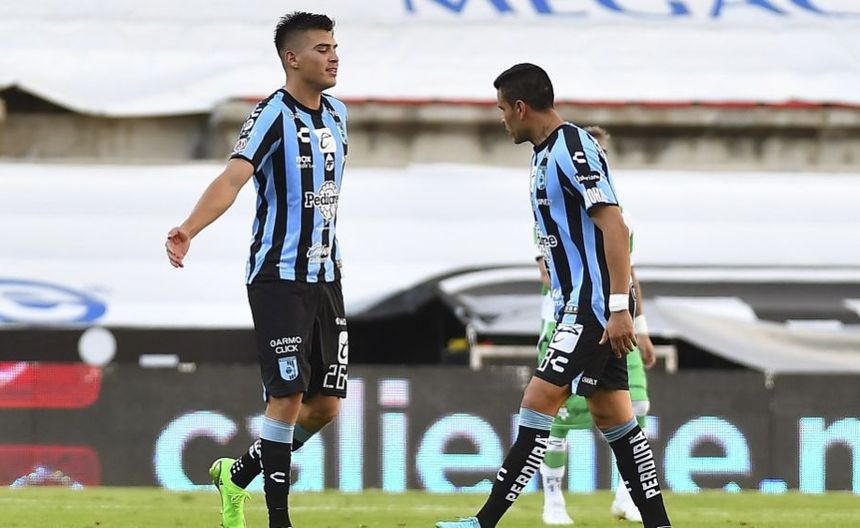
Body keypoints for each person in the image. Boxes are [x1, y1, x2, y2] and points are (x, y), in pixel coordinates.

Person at [436, 64, 671, 528]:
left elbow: (615, 226)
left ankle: (483, 523)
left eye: (503, 109)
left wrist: (618, 308)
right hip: (576, 307)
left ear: (521, 108)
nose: (503, 119)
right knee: (617, 420)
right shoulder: (542, 155)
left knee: (537, 401)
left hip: (591, 308)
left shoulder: (573, 147)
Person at [165, 12, 349, 528]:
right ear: (292, 58)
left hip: (326, 277)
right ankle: (278, 521)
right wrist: (189, 228)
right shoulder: (271, 114)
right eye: (321, 49)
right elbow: (232, 179)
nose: (334, 57)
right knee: (287, 395)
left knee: (325, 407)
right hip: (278, 277)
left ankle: (237, 474)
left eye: (335, 47)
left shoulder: (338, 115)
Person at [536, 125, 658, 525]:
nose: (597, 161)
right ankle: (552, 499)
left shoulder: (617, 214)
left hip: (619, 321)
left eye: (602, 154)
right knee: (561, 415)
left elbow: (629, 272)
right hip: (574, 320)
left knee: (637, 404)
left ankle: (628, 496)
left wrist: (640, 324)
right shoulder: (555, 207)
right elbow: (548, 271)